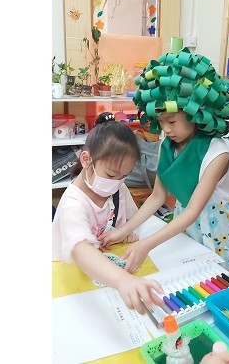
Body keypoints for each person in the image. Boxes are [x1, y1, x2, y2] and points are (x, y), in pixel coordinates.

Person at [100, 49, 229, 281]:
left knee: (219, 282)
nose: (165, 129)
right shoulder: (166, 146)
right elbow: (158, 196)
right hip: (186, 227)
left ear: (196, 112)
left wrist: (146, 244)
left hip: (220, 233)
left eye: (172, 121)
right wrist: (124, 230)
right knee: (188, 277)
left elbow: (193, 210)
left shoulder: (217, 154)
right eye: (160, 121)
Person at [52, 112, 164, 314]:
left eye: (124, 176)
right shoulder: (73, 204)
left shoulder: (117, 188)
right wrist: (122, 280)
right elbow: (80, 249)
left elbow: (129, 220)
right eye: (111, 175)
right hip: (69, 273)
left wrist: (125, 232)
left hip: (102, 273)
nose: (116, 182)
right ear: (86, 160)